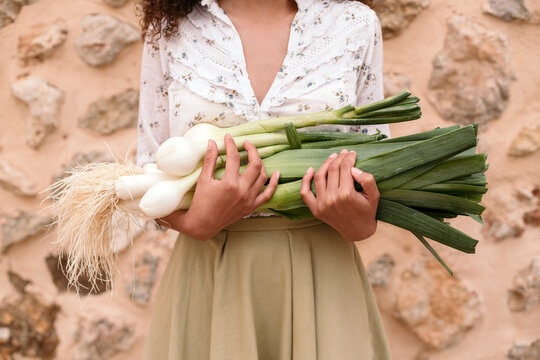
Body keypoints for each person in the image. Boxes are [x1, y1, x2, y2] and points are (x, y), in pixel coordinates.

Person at [136, 0, 392, 358]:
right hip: (211, 273)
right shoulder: (170, 28)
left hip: (323, 274)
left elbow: (377, 170)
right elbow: (148, 174)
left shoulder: (355, 23)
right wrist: (197, 222)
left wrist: (360, 222)